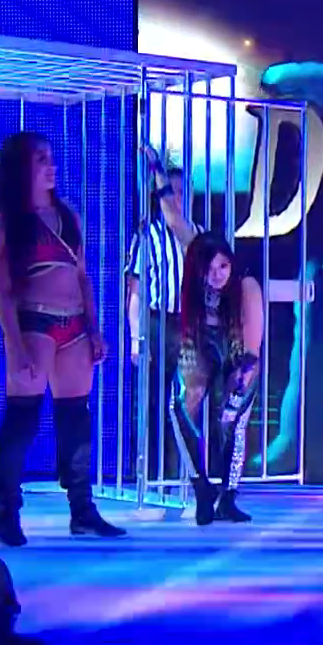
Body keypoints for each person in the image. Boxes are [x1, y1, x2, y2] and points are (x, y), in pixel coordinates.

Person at [0, 132, 125, 545]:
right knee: (22, 419)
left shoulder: (68, 215)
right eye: (41, 159)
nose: (51, 166)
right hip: (34, 323)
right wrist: (15, 345)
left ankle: (83, 511)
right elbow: (1, 289)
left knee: (76, 417)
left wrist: (94, 328)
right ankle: (7, 513)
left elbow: (83, 277)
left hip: (75, 326)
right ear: (20, 167)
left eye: (51, 157)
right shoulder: (5, 222)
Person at [170, 232, 265, 525]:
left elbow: (251, 350)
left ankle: (228, 497)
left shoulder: (246, 285)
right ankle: (201, 487)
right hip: (202, 342)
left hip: (240, 351)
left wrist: (239, 388)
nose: (217, 275)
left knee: (232, 419)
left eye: (223, 266)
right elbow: (177, 223)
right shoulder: (194, 283)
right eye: (210, 269)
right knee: (179, 405)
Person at [125, 154, 200, 483]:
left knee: (187, 401)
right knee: (154, 401)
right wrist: (135, 338)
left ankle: (185, 473)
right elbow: (136, 292)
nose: (178, 198)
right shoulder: (147, 236)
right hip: (159, 323)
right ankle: (154, 474)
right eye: (173, 192)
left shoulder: (198, 235)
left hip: (191, 324)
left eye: (183, 192)